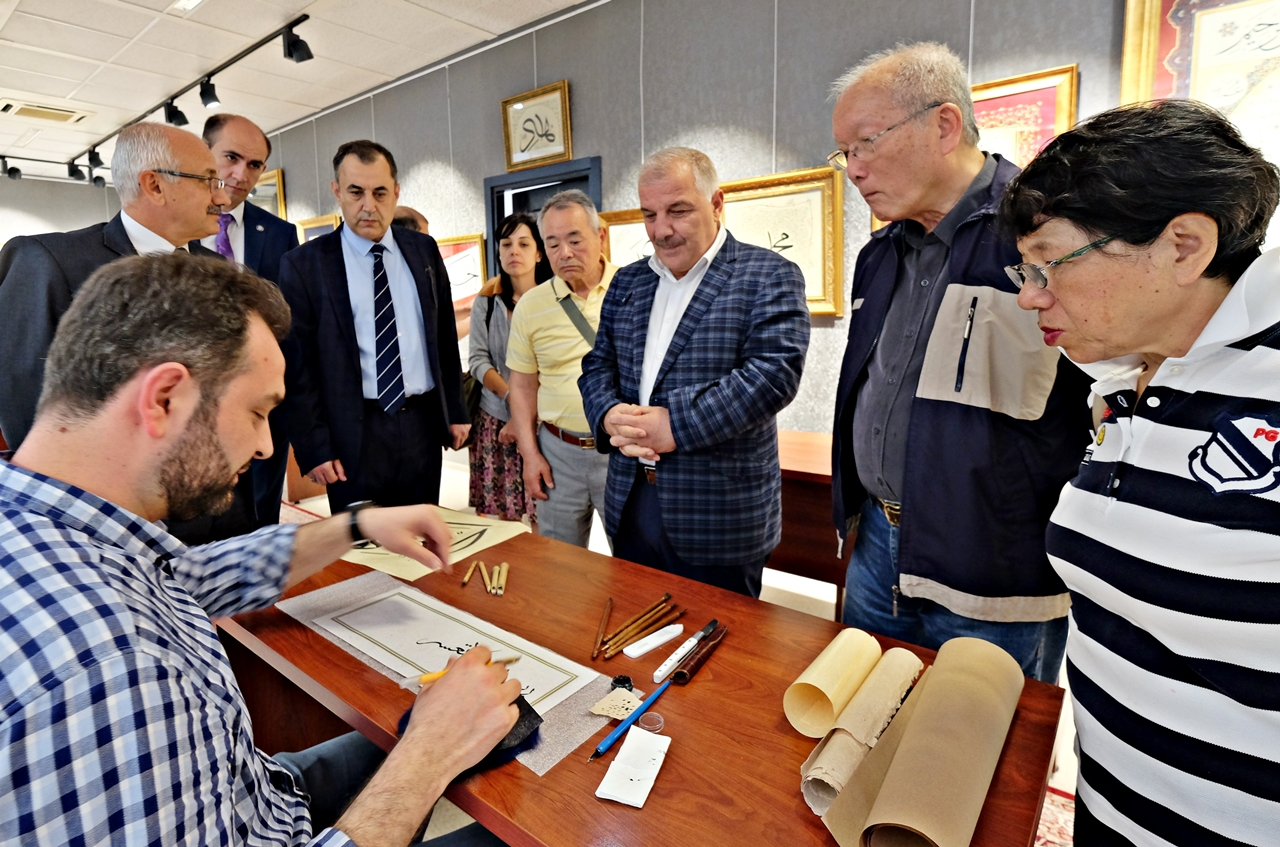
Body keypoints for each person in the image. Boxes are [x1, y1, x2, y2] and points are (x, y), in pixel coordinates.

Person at [0, 251, 517, 846]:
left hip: (251, 793)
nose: (268, 446)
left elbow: (192, 576)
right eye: (257, 412)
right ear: (164, 398)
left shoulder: (56, 532)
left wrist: (356, 525)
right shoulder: (106, 673)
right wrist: (427, 755)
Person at [1002, 99, 1280, 845]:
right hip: (1112, 806)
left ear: (1183, 246)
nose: (1029, 294)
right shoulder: (1121, 379)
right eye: (1025, 269)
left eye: (1050, 264)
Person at [828, 42, 1092, 681]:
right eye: (844, 153)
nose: (853, 169)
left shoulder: (1045, 237)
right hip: (877, 549)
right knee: (860, 717)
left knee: (980, 736)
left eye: (865, 144)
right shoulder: (879, 254)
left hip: (994, 570)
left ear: (944, 125)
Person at [579, 148, 810, 596]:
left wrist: (675, 425)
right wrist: (606, 414)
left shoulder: (768, 275)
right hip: (630, 500)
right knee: (634, 621)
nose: (661, 230)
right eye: (649, 215)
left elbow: (772, 375)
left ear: (716, 203)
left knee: (718, 636)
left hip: (718, 513)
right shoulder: (628, 281)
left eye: (678, 211)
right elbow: (598, 364)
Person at [0, 122, 228, 449]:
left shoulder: (219, 270)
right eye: (208, 181)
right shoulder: (48, 261)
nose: (222, 197)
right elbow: (21, 393)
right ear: (155, 185)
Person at [279, 140, 470, 515]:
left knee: (421, 533)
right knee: (362, 543)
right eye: (356, 192)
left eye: (380, 193)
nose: (369, 205)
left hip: (421, 427)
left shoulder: (423, 250)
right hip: (352, 434)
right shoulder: (305, 265)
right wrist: (314, 446)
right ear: (337, 191)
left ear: (396, 192)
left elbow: (443, 337)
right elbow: (297, 367)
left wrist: (456, 410)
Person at [179, 113, 301, 539]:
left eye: (255, 165)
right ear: (204, 153)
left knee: (262, 518)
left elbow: (292, 328)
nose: (240, 174)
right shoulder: (178, 231)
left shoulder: (280, 234)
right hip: (196, 411)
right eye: (231, 157)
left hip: (265, 411)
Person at [505, 190, 618, 547]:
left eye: (575, 240)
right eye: (552, 244)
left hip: (621, 451)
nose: (564, 252)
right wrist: (530, 455)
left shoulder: (632, 288)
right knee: (560, 561)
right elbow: (522, 387)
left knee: (634, 559)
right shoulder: (531, 306)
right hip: (558, 453)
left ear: (600, 236)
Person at [468, 212, 551, 521]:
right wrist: (513, 400)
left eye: (524, 244)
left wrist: (525, 412)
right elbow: (478, 360)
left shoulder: (555, 300)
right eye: (506, 244)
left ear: (539, 253)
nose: (514, 251)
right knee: (501, 516)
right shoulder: (488, 301)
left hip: (545, 423)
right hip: (495, 420)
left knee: (543, 513)